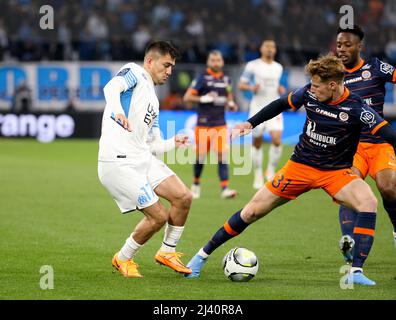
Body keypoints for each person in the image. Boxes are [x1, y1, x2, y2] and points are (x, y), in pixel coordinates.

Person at [185, 54, 396, 286]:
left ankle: (355, 271)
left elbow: (386, 133)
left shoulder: (356, 107)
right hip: (299, 167)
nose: (312, 89)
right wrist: (250, 123)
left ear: (333, 85)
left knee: (369, 202)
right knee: (251, 212)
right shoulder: (308, 93)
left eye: (317, 85)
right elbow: (280, 104)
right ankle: (200, 257)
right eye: (312, 84)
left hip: (336, 173)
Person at [98, 41, 193, 278]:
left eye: (172, 67)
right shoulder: (135, 72)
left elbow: (155, 145)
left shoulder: (154, 100)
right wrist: (117, 111)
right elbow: (111, 87)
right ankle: (122, 258)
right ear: (150, 61)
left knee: (183, 197)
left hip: (142, 157)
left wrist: (174, 142)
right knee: (159, 216)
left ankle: (167, 251)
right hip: (118, 162)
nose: (170, 72)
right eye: (166, 65)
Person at [336, 25, 396, 263]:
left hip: (380, 143)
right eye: (339, 45)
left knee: (389, 187)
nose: (341, 50)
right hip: (352, 146)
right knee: (349, 187)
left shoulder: (376, 67)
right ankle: (349, 242)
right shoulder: (334, 75)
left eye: (347, 45)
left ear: (359, 46)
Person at [183, 50, 238, 199]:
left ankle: (225, 188)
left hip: (220, 123)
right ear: (208, 62)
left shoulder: (226, 79)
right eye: (212, 60)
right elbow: (187, 97)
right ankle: (195, 185)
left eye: (218, 60)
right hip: (203, 124)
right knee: (200, 157)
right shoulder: (202, 78)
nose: (215, 63)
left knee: (222, 155)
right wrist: (202, 99)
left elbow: (229, 97)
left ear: (222, 62)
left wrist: (232, 104)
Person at [238, 40, 286, 189]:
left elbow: (276, 85)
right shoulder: (253, 65)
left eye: (272, 47)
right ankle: (258, 173)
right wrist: (252, 88)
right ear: (261, 49)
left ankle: (270, 169)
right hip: (257, 108)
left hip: (275, 108)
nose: (270, 49)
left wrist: (280, 88)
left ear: (275, 50)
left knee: (277, 140)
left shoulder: (278, 67)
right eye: (267, 46)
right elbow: (241, 84)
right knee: (257, 142)